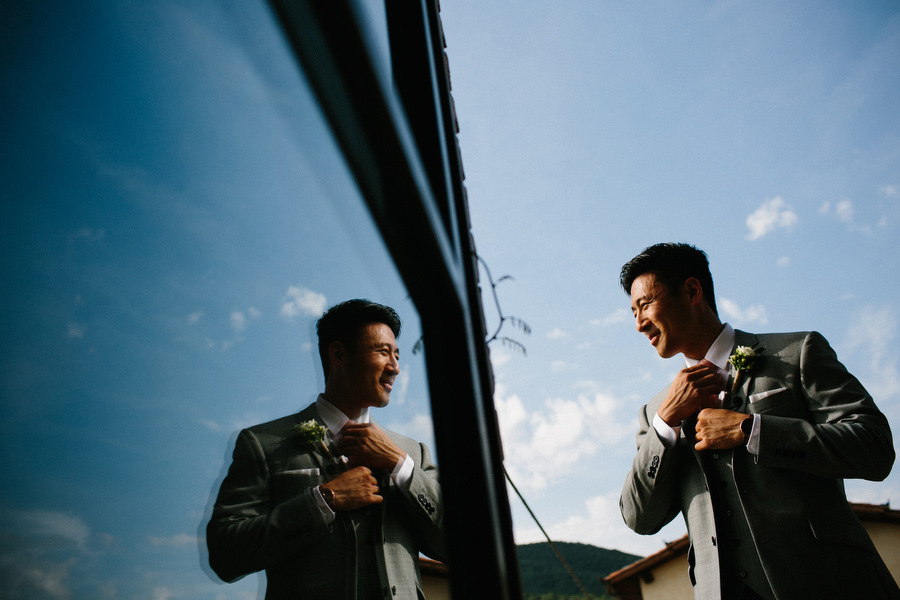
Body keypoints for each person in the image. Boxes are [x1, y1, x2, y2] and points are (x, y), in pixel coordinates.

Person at [618, 243, 899, 600]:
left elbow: (873, 447)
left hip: (831, 584)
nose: (639, 323)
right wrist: (665, 423)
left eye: (645, 305)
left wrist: (751, 430)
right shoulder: (654, 412)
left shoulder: (797, 354)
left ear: (691, 291)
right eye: (632, 312)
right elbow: (639, 518)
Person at [207, 299, 443, 600]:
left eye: (396, 355)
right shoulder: (262, 444)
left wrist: (400, 465)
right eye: (383, 352)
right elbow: (225, 555)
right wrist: (324, 500)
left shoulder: (414, 453)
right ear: (339, 354)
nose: (395, 367)